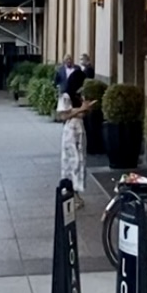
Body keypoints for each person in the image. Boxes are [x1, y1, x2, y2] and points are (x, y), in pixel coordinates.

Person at [56, 68, 94, 208]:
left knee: (79, 164)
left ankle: (76, 193)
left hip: (79, 132)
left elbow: (81, 114)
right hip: (70, 133)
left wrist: (86, 108)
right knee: (72, 164)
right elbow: (62, 116)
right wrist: (80, 109)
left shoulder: (79, 96)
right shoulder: (66, 96)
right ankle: (71, 194)